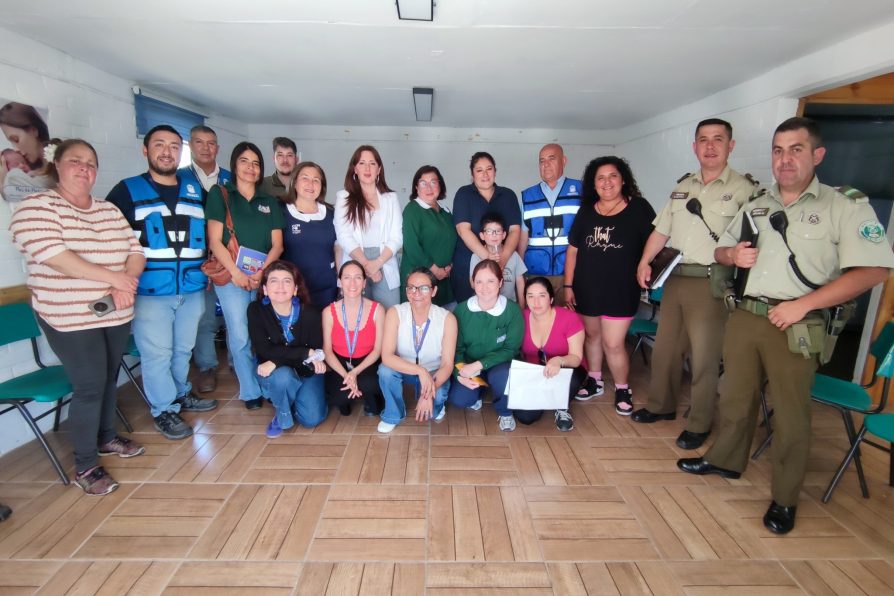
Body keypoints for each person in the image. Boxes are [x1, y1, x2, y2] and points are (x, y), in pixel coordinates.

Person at [678, 117, 894, 535]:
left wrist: (803, 305)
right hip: (745, 315)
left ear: (817, 155)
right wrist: (731, 256)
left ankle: (785, 497)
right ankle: (726, 460)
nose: (785, 159)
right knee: (736, 399)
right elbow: (722, 247)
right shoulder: (758, 203)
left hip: (798, 324)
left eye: (796, 149)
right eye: (778, 150)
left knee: (792, 416)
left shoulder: (842, 205)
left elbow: (873, 270)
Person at [10, 138, 146, 495]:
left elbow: (135, 249)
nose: (83, 168)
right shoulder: (36, 207)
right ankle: (85, 465)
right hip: (69, 316)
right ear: (58, 165)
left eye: (90, 163)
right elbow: (55, 255)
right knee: (88, 386)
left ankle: (105, 437)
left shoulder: (107, 210)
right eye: (75, 161)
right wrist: (114, 278)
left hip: (116, 309)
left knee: (108, 378)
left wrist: (126, 281)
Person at [632, 118, 758, 450]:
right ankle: (661, 405)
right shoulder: (682, 187)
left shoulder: (746, 190)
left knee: (704, 358)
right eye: (703, 139)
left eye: (718, 139)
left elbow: (754, 241)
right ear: (694, 146)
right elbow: (661, 230)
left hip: (711, 281)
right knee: (666, 349)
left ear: (731, 146)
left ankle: (700, 422)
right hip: (675, 278)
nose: (710, 146)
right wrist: (645, 261)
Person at [107, 125, 218, 441]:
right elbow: (111, 238)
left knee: (183, 349)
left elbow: (211, 235)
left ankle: (181, 394)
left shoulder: (196, 191)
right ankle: (163, 410)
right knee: (157, 353)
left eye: (173, 146)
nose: (167, 152)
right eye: (159, 145)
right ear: (146, 151)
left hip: (192, 285)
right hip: (150, 289)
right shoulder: (127, 190)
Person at [564, 156, 656, 415]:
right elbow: (573, 251)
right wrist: (569, 286)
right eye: (600, 178)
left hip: (621, 288)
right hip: (586, 286)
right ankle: (594, 379)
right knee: (592, 336)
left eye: (612, 176)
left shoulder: (639, 208)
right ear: (593, 184)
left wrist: (646, 263)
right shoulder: (587, 210)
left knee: (614, 343)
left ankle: (622, 387)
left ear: (623, 179)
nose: (607, 182)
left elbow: (655, 242)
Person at [206, 141, 285, 410]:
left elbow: (277, 244)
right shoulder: (221, 194)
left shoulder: (269, 201)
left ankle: (266, 382)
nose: (250, 168)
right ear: (234, 165)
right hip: (232, 279)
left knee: (264, 333)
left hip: (263, 279)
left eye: (255, 163)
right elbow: (215, 241)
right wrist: (236, 273)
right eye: (244, 161)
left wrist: (263, 274)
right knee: (240, 336)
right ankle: (250, 391)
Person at [180, 125, 232, 394]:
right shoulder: (179, 179)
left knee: (238, 317)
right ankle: (207, 366)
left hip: (231, 259)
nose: (205, 148)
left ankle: (237, 362)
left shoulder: (230, 179)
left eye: (211, 143)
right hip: (196, 259)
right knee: (205, 316)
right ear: (191, 145)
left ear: (217, 148)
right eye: (199, 143)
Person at [248, 261, 327, 437]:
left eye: (287, 281)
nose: (281, 286)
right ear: (265, 289)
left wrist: (277, 360)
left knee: (312, 419)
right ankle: (282, 413)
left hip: (305, 370)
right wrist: (305, 353)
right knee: (283, 376)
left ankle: (289, 398)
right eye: (274, 281)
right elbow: (264, 350)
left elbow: (315, 349)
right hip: (277, 373)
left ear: (295, 289)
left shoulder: (312, 313)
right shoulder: (256, 310)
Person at [377, 267, 457, 433]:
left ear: (434, 291)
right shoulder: (395, 312)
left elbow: (448, 364)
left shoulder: (447, 318)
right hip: (403, 367)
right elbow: (387, 356)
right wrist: (419, 371)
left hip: (433, 371)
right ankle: (393, 414)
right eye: (411, 287)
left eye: (424, 288)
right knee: (385, 371)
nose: (416, 293)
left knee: (434, 408)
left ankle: (436, 404)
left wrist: (426, 395)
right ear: (406, 291)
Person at [449, 260, 525, 431]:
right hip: (470, 365)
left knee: (503, 376)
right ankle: (479, 391)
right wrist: (459, 373)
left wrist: (480, 364)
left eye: (490, 281)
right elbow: (456, 349)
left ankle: (505, 411)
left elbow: (510, 349)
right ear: (472, 283)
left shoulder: (512, 311)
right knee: (460, 399)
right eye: (479, 282)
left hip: (500, 365)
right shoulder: (461, 310)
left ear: (500, 282)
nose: (484, 287)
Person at [334, 145, 403, 308]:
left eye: (372, 163)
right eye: (362, 163)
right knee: (357, 315)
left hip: (384, 260)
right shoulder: (343, 197)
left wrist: (377, 263)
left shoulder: (390, 198)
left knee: (388, 314)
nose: (367, 168)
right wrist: (366, 264)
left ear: (379, 169)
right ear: (354, 168)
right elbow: (343, 236)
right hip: (356, 259)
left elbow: (397, 237)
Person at [515, 277, 586, 431]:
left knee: (571, 379)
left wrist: (558, 360)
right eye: (530, 296)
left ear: (551, 298)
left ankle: (562, 408)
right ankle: (548, 396)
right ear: (525, 299)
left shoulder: (569, 318)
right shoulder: (521, 317)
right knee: (525, 417)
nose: (536, 302)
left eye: (542, 296)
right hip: (536, 372)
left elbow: (576, 358)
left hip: (567, 368)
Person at [451, 152, 522, 302]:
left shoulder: (508, 195)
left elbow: (515, 231)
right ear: (472, 173)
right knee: (470, 314)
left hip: (504, 262)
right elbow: (463, 230)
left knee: (504, 310)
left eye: (489, 169)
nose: (485, 174)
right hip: (467, 265)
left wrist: (502, 260)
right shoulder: (464, 194)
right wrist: (489, 260)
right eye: (479, 170)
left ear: (495, 171)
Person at [519, 144, 583, 305]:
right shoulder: (527, 196)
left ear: (564, 161)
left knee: (568, 322)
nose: (545, 164)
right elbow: (522, 238)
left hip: (570, 274)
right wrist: (518, 272)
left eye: (551, 158)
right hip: (536, 273)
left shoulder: (582, 191)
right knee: (537, 323)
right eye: (541, 161)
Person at [323, 260, 384, 417]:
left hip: (367, 361)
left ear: (364, 283)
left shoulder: (378, 309)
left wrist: (355, 372)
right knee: (339, 396)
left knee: (370, 385)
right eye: (347, 277)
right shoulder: (328, 312)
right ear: (339, 281)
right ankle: (349, 397)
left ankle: (368, 395)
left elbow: (378, 350)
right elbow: (327, 351)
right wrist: (346, 375)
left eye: (357, 278)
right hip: (340, 363)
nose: (352, 283)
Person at [281, 161, 339, 306]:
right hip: (291, 290)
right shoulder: (281, 210)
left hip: (326, 289)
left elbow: (339, 248)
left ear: (322, 186)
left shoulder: (332, 214)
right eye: (305, 178)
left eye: (316, 180)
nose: (310, 184)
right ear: (294, 183)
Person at [399, 165, 456, 306]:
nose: (428, 188)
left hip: (445, 281)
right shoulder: (412, 210)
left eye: (433, 182)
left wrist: (450, 266)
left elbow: (452, 241)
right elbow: (412, 246)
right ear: (416, 188)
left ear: (440, 186)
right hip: (419, 282)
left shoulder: (446, 211)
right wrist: (435, 270)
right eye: (423, 183)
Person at [470, 212, 527, 305]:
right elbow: (473, 284)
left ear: (504, 235)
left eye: (498, 231)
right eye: (489, 231)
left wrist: (522, 305)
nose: (494, 235)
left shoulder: (513, 255)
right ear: (482, 235)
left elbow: (520, 282)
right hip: (485, 305)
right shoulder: (476, 256)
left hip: (509, 304)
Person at [0, 102, 53, 201]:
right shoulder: (29, 171)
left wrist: (3, 180)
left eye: (16, 140)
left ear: (33, 130)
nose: (16, 149)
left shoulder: (57, 163)